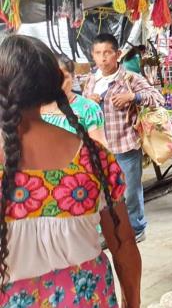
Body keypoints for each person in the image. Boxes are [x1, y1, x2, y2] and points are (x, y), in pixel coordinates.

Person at [0, 35, 141, 307]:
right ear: (52, 83)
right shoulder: (93, 158)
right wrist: (132, 303)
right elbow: (124, 246)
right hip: (90, 297)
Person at [84, 33, 164, 243]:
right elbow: (82, 108)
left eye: (107, 53)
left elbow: (158, 98)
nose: (103, 58)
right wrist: (88, 101)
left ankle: (136, 228)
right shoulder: (92, 80)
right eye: (98, 53)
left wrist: (133, 96)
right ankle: (109, 231)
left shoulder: (130, 78)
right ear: (93, 55)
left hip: (126, 144)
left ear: (117, 54)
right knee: (104, 192)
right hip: (99, 148)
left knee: (129, 192)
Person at [40, 54, 108, 147]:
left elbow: (100, 152)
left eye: (63, 77)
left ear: (73, 77)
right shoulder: (35, 108)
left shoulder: (88, 109)